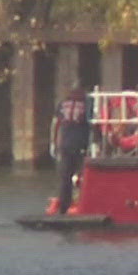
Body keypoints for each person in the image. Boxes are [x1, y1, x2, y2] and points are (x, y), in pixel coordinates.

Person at [49, 84, 91, 214]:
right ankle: (81, 204)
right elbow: (92, 125)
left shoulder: (63, 104)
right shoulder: (87, 104)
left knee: (65, 177)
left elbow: (55, 124)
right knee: (82, 176)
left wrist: (53, 142)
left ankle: (63, 207)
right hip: (81, 144)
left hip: (65, 144)